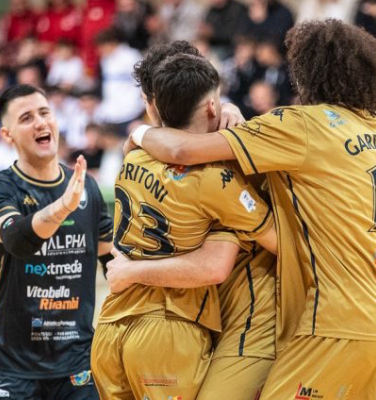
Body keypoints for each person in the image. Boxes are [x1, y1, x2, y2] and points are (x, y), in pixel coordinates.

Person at [126, 19, 376, 399]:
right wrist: (231, 114)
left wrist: (138, 132)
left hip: (335, 318)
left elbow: (182, 150)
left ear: (307, 72)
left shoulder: (299, 125)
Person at [91, 53, 277, 400]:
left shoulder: (133, 156)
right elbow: (269, 245)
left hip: (110, 325)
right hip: (167, 329)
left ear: (154, 106)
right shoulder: (218, 179)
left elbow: (157, 142)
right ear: (211, 106)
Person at [0, 84, 113, 400]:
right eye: (26, 118)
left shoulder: (86, 188)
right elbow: (16, 239)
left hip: (76, 365)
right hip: (9, 370)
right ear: (7, 135)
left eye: (44, 112)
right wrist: (63, 207)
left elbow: (114, 261)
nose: (40, 122)